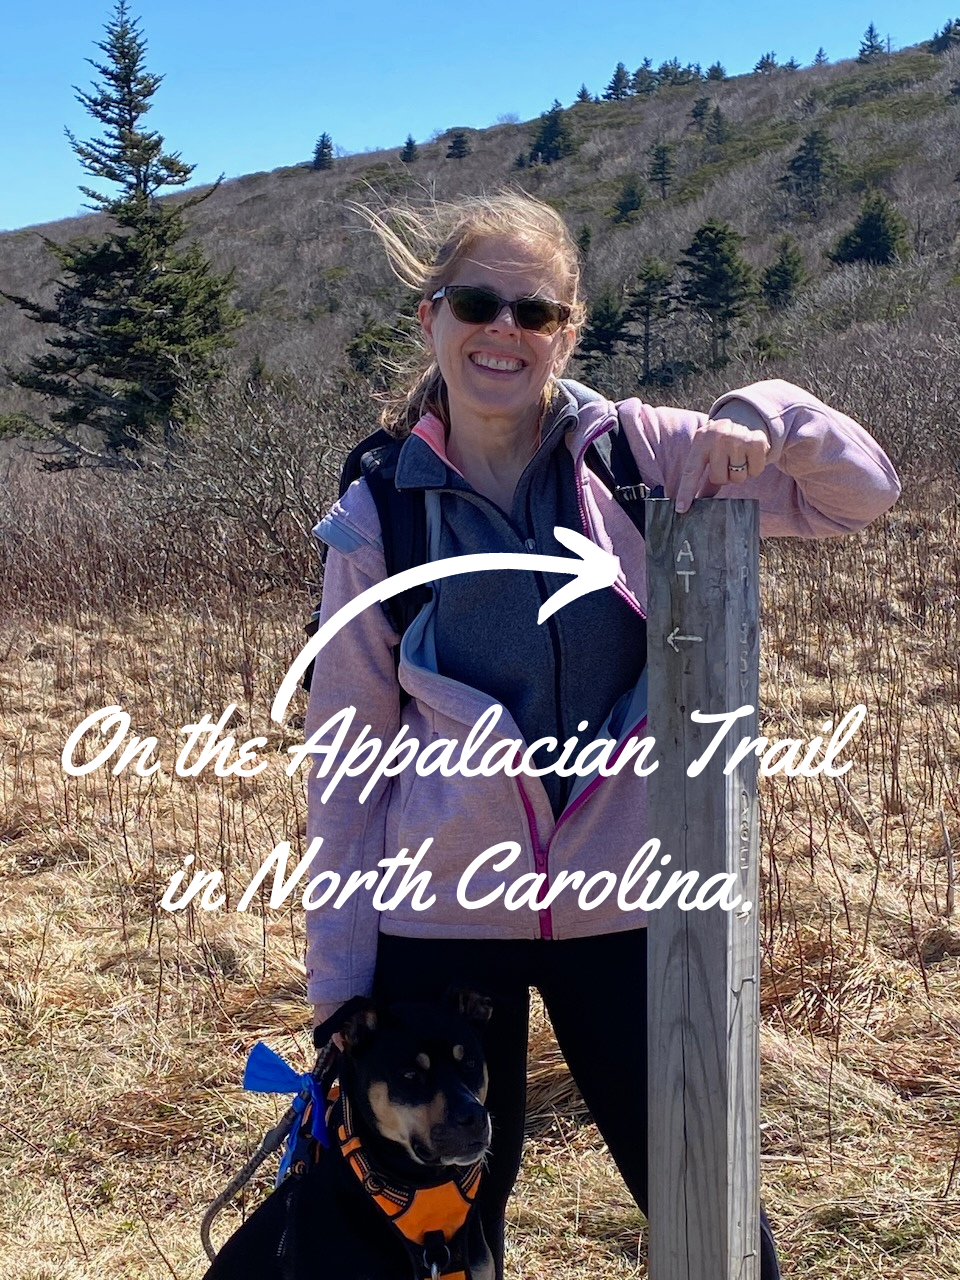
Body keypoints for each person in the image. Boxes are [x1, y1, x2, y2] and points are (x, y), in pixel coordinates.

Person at [302, 191, 900, 1279]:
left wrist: (761, 411)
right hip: (437, 926)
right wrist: (340, 986)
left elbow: (860, 494)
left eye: (534, 312)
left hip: (625, 914)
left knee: (713, 1212)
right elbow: (347, 762)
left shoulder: (635, 453)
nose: (504, 331)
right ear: (431, 315)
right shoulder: (381, 507)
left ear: (568, 330)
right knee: (441, 1243)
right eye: (477, 302)